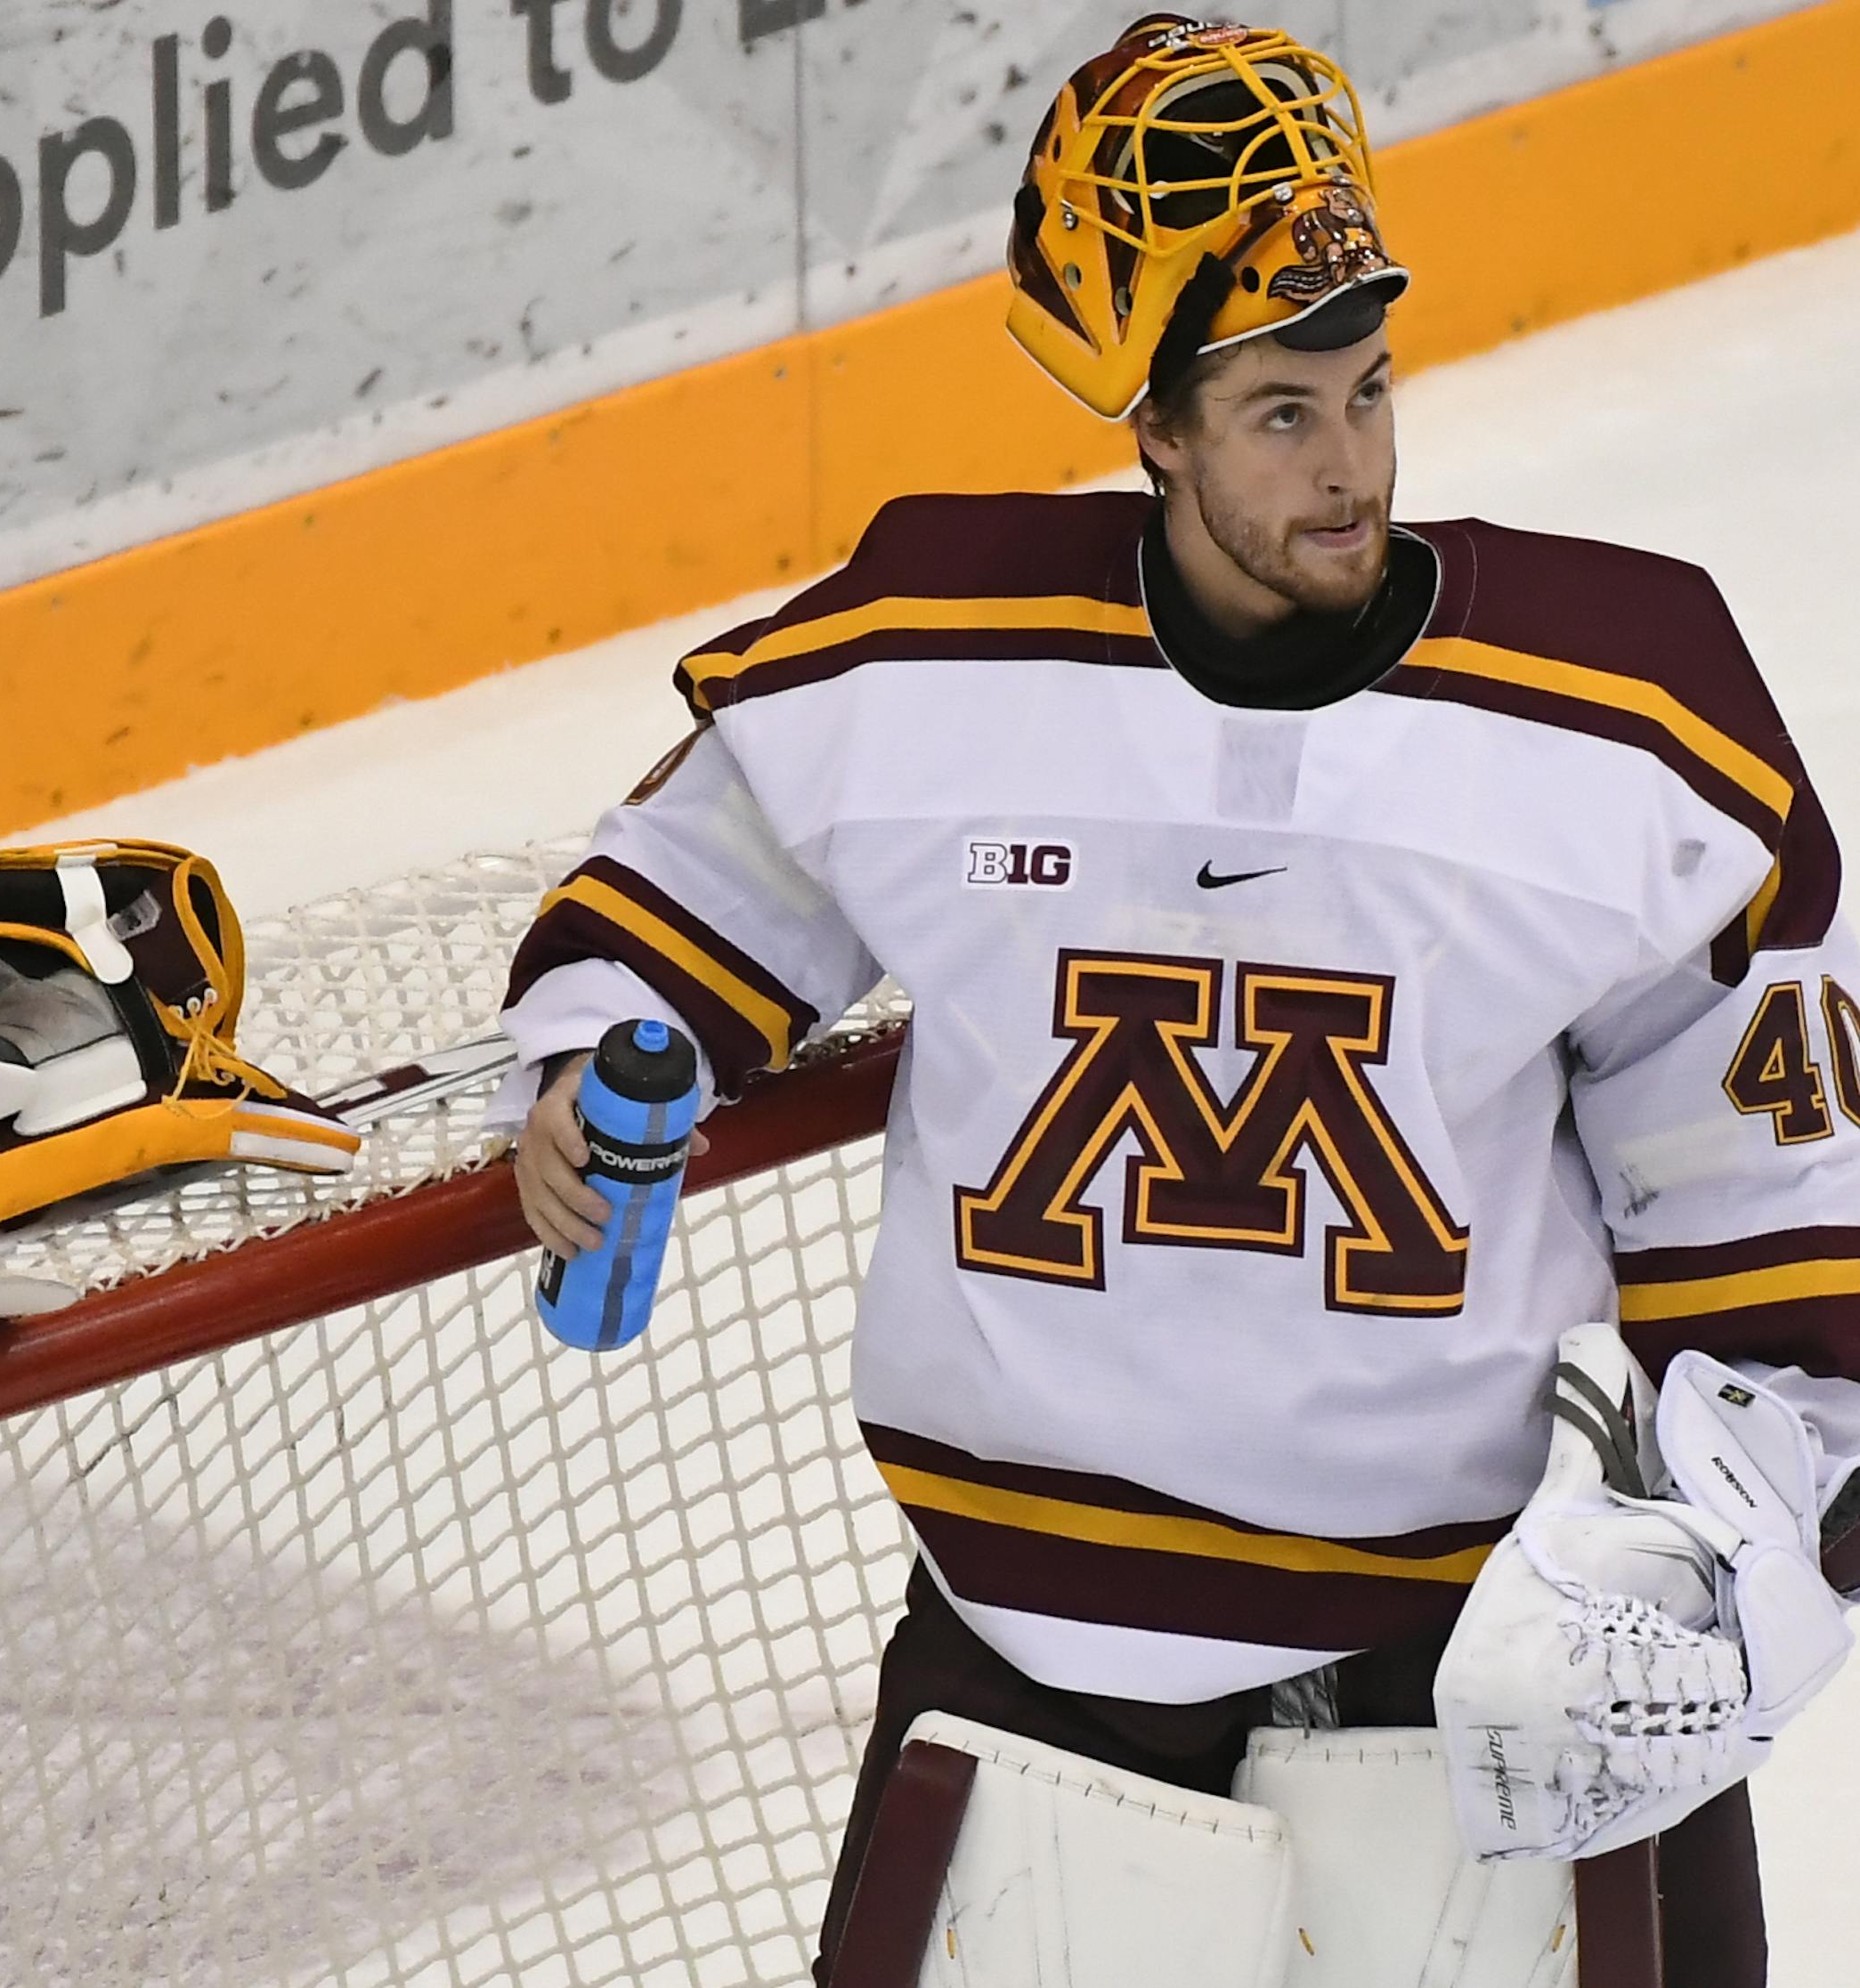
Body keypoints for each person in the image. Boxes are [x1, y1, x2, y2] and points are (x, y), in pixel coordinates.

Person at [495, 16, 1860, 1984]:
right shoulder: (932, 660)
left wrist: (1763, 1501)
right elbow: (687, 901)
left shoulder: (1624, 711)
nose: (1354, 463)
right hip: (1029, 1664)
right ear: (1153, 429)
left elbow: (1756, 1158)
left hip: (1473, 1664)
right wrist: (587, 1076)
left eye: (1373, 392)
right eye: (1284, 413)